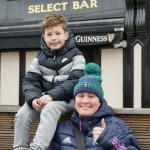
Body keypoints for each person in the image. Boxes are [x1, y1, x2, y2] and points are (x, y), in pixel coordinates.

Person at [13, 13, 85, 150]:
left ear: (66, 35)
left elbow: (76, 80)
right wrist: (33, 98)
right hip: (45, 97)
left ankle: (37, 148)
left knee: (50, 108)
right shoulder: (39, 58)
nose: (54, 38)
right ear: (44, 37)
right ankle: (19, 148)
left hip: (68, 98)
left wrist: (52, 95)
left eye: (57, 33)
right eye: (49, 34)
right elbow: (30, 81)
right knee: (22, 114)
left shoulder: (77, 56)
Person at [50, 63, 142, 150]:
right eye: (81, 96)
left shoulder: (118, 127)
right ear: (75, 100)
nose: (85, 101)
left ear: (100, 102)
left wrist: (113, 144)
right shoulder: (62, 129)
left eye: (91, 96)